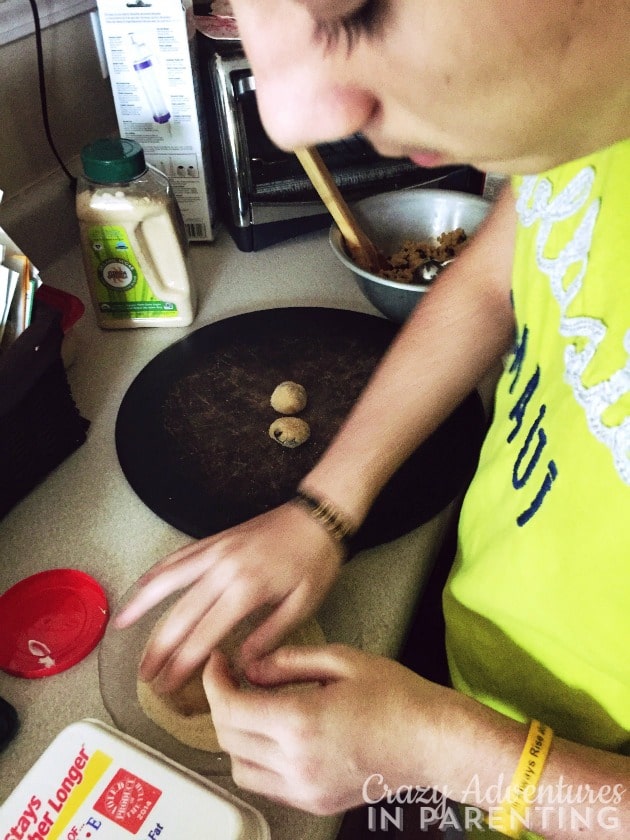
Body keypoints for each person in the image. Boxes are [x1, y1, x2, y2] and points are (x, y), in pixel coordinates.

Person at [115, 1, 630, 836]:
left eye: (353, 5)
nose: (289, 119)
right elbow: (502, 263)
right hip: (467, 674)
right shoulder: (587, 111)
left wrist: (452, 754)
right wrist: (324, 508)